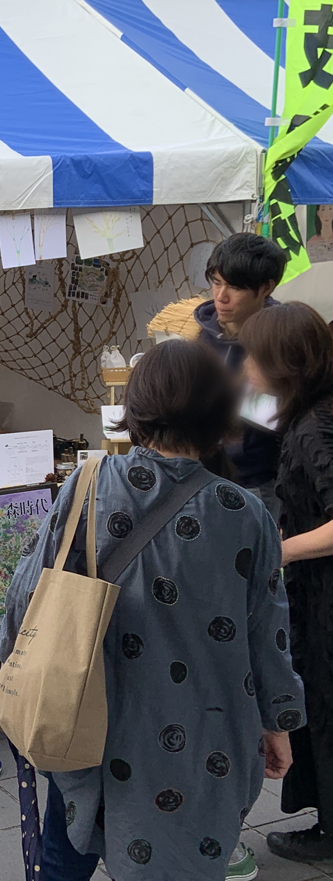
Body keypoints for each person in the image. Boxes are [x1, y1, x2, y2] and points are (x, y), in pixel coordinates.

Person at [0, 340, 303, 881]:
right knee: (184, 856)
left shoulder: (89, 486)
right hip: (204, 727)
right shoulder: (246, 514)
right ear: (219, 414)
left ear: (136, 408)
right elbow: (268, 634)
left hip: (89, 709)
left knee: (65, 853)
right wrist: (277, 723)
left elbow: (27, 594)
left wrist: (14, 669)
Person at [242, 303, 333, 861]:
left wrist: (277, 552)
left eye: (253, 357)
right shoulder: (310, 414)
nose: (245, 368)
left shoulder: (315, 427)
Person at [195, 233, 287, 517]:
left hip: (256, 479)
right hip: (201, 475)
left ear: (266, 288)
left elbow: (286, 411)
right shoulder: (203, 332)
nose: (221, 297)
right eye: (216, 282)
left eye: (234, 287)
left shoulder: (281, 337)